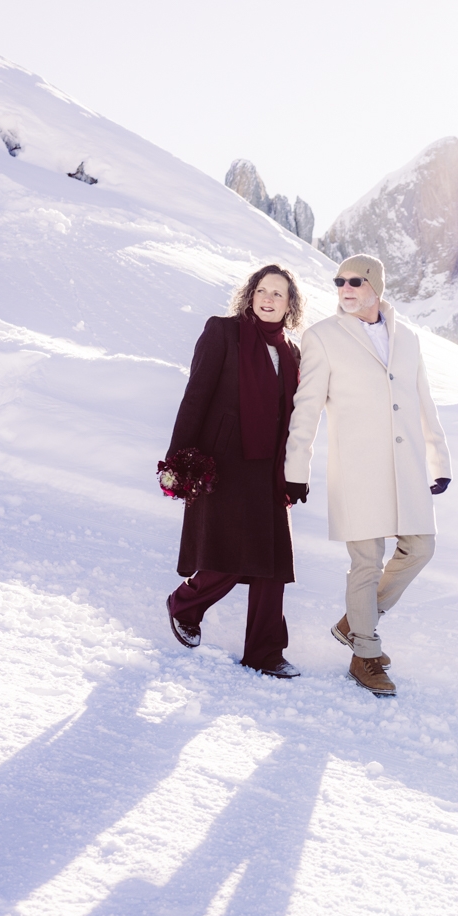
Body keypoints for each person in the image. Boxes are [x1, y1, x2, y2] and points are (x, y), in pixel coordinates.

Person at [284, 254, 451, 696]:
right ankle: (366, 654)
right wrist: (295, 470)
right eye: (339, 282)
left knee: (421, 548)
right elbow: (307, 408)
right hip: (357, 469)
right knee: (365, 562)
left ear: (376, 286)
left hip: (407, 465)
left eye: (355, 281)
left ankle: (357, 622)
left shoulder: (408, 337)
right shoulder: (321, 337)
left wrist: (439, 460)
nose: (345, 289)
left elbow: (423, 402)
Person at [163, 264, 304, 678]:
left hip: (271, 468)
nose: (268, 298)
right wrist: (179, 459)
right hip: (224, 461)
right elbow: (196, 395)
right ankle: (185, 605)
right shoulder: (222, 332)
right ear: (250, 294)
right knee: (230, 554)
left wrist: (296, 470)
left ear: (290, 304)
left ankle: (265, 651)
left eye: (278, 293)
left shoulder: (291, 352)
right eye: (262, 290)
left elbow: (294, 417)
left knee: (273, 562)